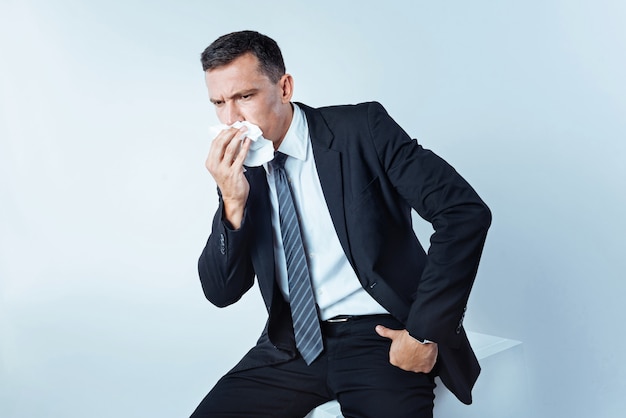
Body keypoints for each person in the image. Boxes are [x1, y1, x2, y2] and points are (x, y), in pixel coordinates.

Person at [192, 30, 491, 418]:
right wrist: (232, 201)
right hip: (291, 345)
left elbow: (463, 212)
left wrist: (423, 331)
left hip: (381, 338)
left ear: (284, 87)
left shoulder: (361, 129)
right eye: (218, 103)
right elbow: (221, 291)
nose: (231, 119)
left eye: (244, 97)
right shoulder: (240, 170)